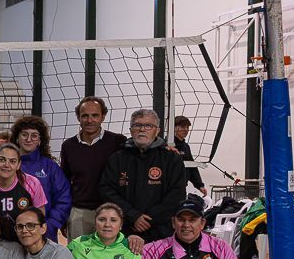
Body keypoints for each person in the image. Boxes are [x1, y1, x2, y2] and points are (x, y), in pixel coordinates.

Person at [99, 108, 185, 246]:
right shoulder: (117, 159)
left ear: (157, 130)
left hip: (161, 232)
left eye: (148, 126)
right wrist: (133, 215)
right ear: (131, 130)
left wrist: (149, 219)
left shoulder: (172, 158)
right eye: (137, 125)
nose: (142, 129)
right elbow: (106, 190)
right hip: (126, 230)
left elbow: (177, 194)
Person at [60, 96, 126, 239]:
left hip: (110, 213)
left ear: (103, 117)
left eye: (95, 115)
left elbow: (142, 150)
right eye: (85, 116)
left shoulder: (118, 141)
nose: (90, 120)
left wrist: (165, 148)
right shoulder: (68, 146)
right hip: (79, 212)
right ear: (78, 117)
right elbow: (64, 183)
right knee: (78, 253)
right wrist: (64, 215)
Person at [11, 115, 71, 240]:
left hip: (43, 234)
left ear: (40, 140)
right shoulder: (6, 166)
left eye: (34, 136)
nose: (29, 139)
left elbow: (63, 198)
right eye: (24, 134)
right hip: (11, 233)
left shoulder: (50, 167)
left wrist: (50, 225)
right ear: (17, 138)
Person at [0, 142, 47, 230]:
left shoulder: (33, 184)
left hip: (24, 234)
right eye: (2, 160)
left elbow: (40, 220)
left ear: (18, 165)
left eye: (12, 161)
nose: (6, 165)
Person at [173, 115, 207, 196]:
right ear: (174, 128)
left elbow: (192, 167)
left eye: (187, 127)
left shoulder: (186, 146)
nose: (186, 129)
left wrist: (199, 185)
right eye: (183, 126)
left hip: (182, 188)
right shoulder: (167, 145)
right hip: (168, 188)